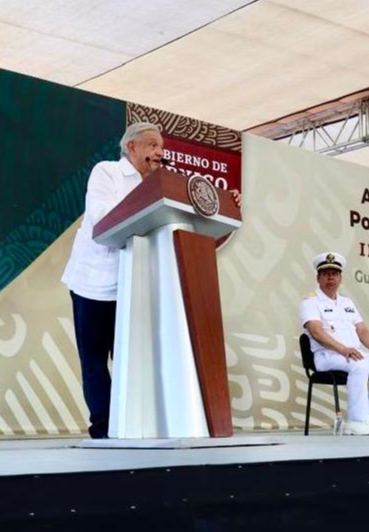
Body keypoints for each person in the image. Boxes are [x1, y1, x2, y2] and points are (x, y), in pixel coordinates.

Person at [61, 122, 241, 438]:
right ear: (131, 147)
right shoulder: (107, 173)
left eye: (161, 147)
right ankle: (104, 429)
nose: (160, 152)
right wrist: (154, 196)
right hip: (94, 283)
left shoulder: (164, 186)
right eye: (153, 145)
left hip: (137, 286)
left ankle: (138, 425)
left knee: (135, 359)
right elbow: (100, 217)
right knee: (94, 360)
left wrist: (223, 208)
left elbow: (186, 230)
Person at [300, 252, 369, 435]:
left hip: (352, 354)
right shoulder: (310, 301)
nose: (330, 277)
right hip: (326, 356)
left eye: (334, 273)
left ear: (340, 278)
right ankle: (356, 421)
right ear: (318, 277)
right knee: (360, 364)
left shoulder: (347, 302)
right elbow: (316, 331)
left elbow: (362, 330)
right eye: (326, 273)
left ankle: (367, 416)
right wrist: (343, 349)